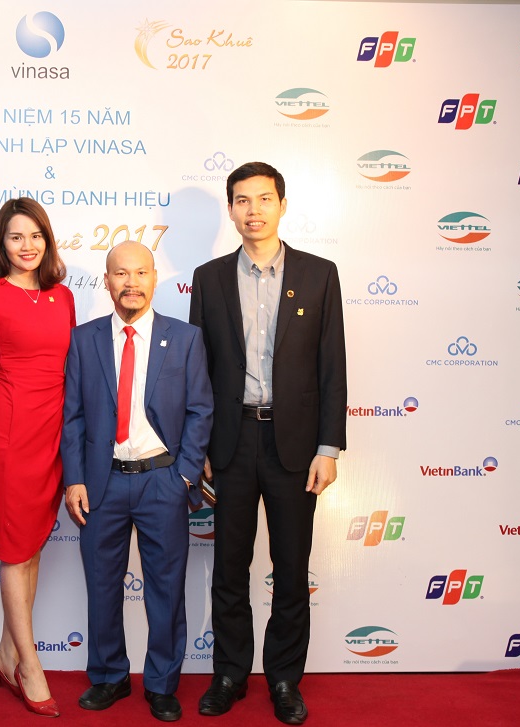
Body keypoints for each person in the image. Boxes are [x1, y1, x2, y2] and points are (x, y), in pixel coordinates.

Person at [188, 162, 347, 725]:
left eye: (263, 199)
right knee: (229, 567)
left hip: (295, 447)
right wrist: (199, 444)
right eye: (241, 200)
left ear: (282, 204)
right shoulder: (208, 279)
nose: (252, 210)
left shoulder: (319, 274)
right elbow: (198, 369)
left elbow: (332, 367)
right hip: (230, 443)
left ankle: (283, 678)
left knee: (290, 567)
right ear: (231, 210)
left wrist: (328, 449)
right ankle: (230, 674)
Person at [61, 241, 213, 723]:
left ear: (154, 278)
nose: (131, 283)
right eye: (121, 274)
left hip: (162, 481)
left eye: (141, 273)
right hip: (101, 483)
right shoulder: (83, 340)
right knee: (102, 585)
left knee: (165, 589)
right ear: (106, 281)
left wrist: (185, 474)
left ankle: (162, 683)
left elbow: (200, 410)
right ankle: (109, 676)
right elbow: (73, 417)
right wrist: (74, 479)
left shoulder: (185, 338)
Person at [0, 197, 75, 718]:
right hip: (6, 431)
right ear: (1, 244)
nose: (28, 246)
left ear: (47, 240)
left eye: (36, 236)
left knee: (33, 547)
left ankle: (5, 654)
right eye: (16, 237)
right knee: (14, 549)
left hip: (53, 432)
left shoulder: (63, 296)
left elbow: (70, 369)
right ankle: (30, 665)